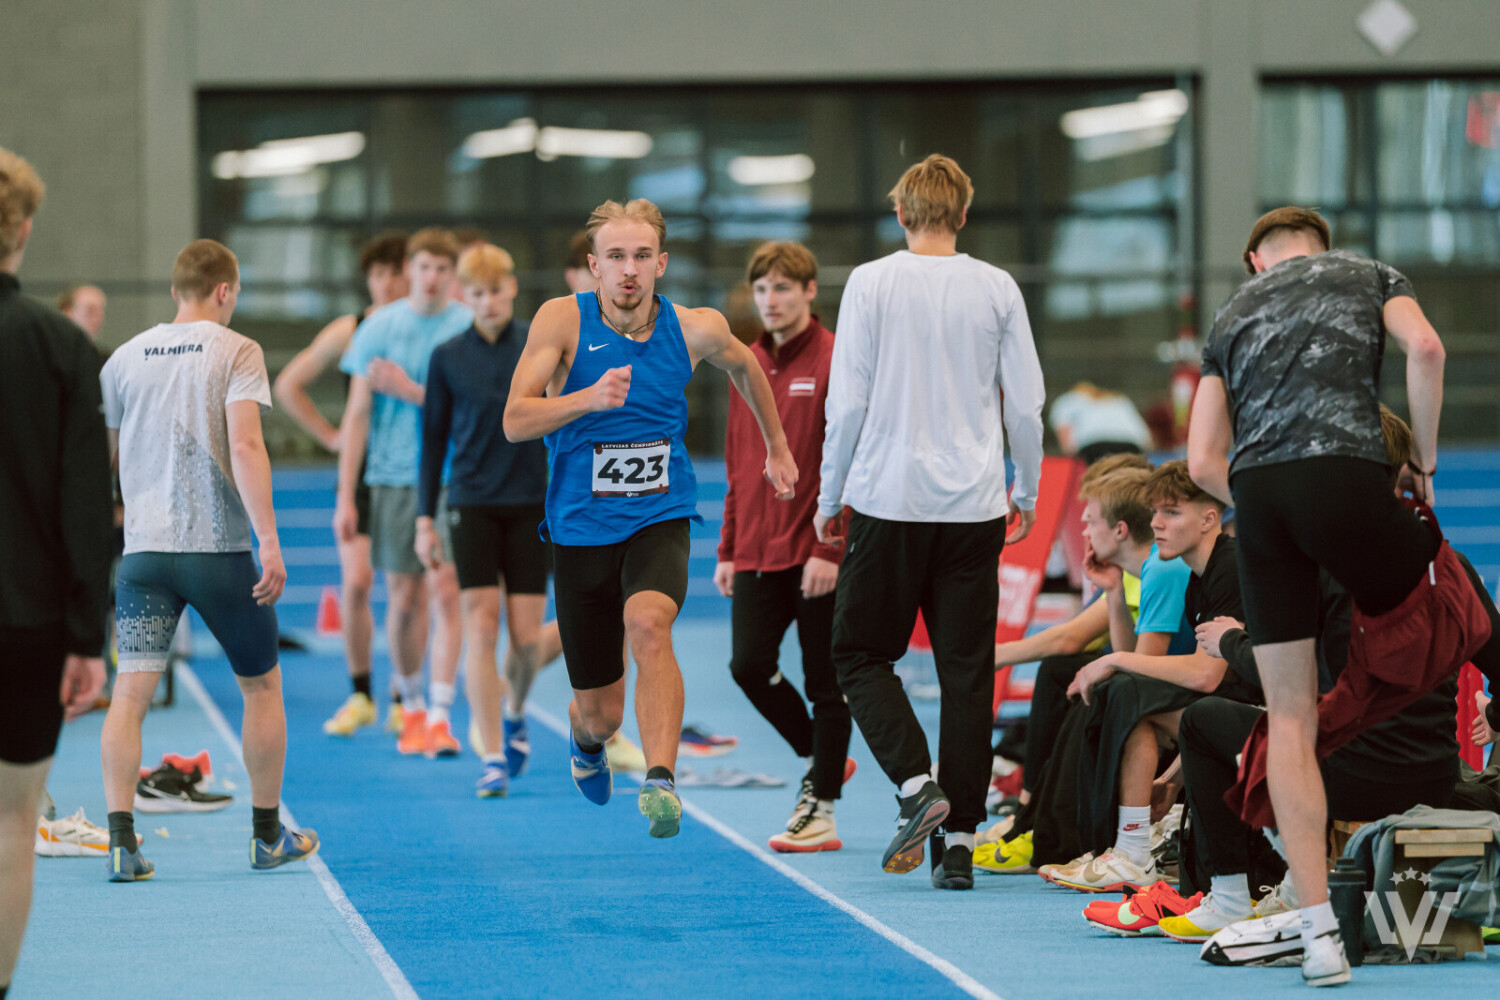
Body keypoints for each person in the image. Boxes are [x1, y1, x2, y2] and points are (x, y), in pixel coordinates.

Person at [1186, 206, 1452, 986]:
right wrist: (1424, 464)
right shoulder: (1368, 274)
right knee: (1443, 595)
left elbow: (1203, 458)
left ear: (1254, 259)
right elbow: (1427, 348)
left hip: (1259, 491)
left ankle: (1317, 934)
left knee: (1289, 719)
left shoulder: (1232, 311)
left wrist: (1255, 498)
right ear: (1320, 250)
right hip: (1348, 472)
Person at [504, 198, 796, 839]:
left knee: (649, 621)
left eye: (641, 256)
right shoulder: (562, 321)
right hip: (580, 526)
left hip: (659, 514)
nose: (628, 270)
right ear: (594, 266)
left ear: (661, 263)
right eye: (615, 257)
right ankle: (587, 743)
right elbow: (515, 419)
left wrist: (776, 445)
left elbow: (747, 365)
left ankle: (661, 779)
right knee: (601, 713)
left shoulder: (695, 328)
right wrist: (587, 398)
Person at [815, 154, 1045, 891]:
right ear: (965, 215)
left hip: (889, 498)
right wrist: (1028, 489)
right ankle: (962, 845)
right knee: (967, 675)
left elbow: (846, 403)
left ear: (901, 214)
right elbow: (1027, 404)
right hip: (974, 504)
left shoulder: (872, 282)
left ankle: (919, 786)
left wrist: (827, 498)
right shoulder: (997, 286)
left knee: (856, 653)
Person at [99, 238, 316, 883]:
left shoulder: (122, 358)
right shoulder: (236, 349)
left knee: (129, 697)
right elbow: (247, 444)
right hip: (218, 554)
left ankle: (120, 842)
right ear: (225, 291)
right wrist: (270, 540)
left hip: (142, 557)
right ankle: (267, 835)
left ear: (176, 290)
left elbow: (109, 461)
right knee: (262, 687)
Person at [0, 146, 113, 995]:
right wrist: (88, 635)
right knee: (10, 823)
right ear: (25, 231)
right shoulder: (61, 349)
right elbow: (86, 509)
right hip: (28, 621)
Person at [714, 241, 853, 852]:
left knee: (825, 681)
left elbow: (850, 459)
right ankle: (823, 757)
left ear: (810, 291)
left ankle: (820, 808)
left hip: (816, 548)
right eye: (762, 290)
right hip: (755, 548)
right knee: (748, 665)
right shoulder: (744, 362)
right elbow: (739, 462)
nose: (770, 301)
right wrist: (727, 546)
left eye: (783, 289)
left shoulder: (837, 358)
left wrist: (832, 548)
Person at [1056, 461, 1241, 891]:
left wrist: (1113, 660)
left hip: (1274, 717)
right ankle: (1129, 847)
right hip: (1224, 712)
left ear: (1209, 518)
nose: (1156, 524)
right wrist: (1172, 780)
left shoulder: (1228, 567)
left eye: (1171, 513)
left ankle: (1127, 847)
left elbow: (1205, 677)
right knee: (1122, 695)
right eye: (1155, 512)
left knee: (1122, 688)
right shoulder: (1199, 576)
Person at [419, 243, 550, 797]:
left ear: (513, 289)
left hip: (530, 504)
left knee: (523, 640)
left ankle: (515, 708)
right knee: (479, 624)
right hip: (470, 502)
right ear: (461, 296)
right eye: (477, 293)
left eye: (497, 290)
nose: (489, 301)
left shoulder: (539, 347)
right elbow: (432, 442)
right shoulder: (447, 356)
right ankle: (492, 755)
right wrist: (425, 519)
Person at [337, 229, 471, 758]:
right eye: (424, 267)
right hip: (392, 477)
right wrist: (345, 496)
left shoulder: (467, 328)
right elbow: (356, 416)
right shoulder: (379, 327)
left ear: (452, 275)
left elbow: (476, 412)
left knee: (446, 588)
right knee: (405, 596)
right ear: (410, 271)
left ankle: (441, 713)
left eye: (443, 267)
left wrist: (411, 390)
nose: (433, 277)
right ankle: (411, 705)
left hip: (452, 476)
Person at [273, 231, 408, 736]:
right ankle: (361, 693)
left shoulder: (426, 326)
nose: (387, 282)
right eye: (378, 274)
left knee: (404, 590)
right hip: (360, 473)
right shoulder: (350, 329)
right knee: (356, 582)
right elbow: (287, 385)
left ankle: (403, 694)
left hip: (407, 473)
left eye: (395, 272)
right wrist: (329, 437)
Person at [1049, 381, 1152, 464]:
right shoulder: (1118, 399)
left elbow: (1067, 442)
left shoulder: (1068, 399)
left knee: (1098, 478)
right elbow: (1146, 439)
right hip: (1131, 444)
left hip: (1094, 444)